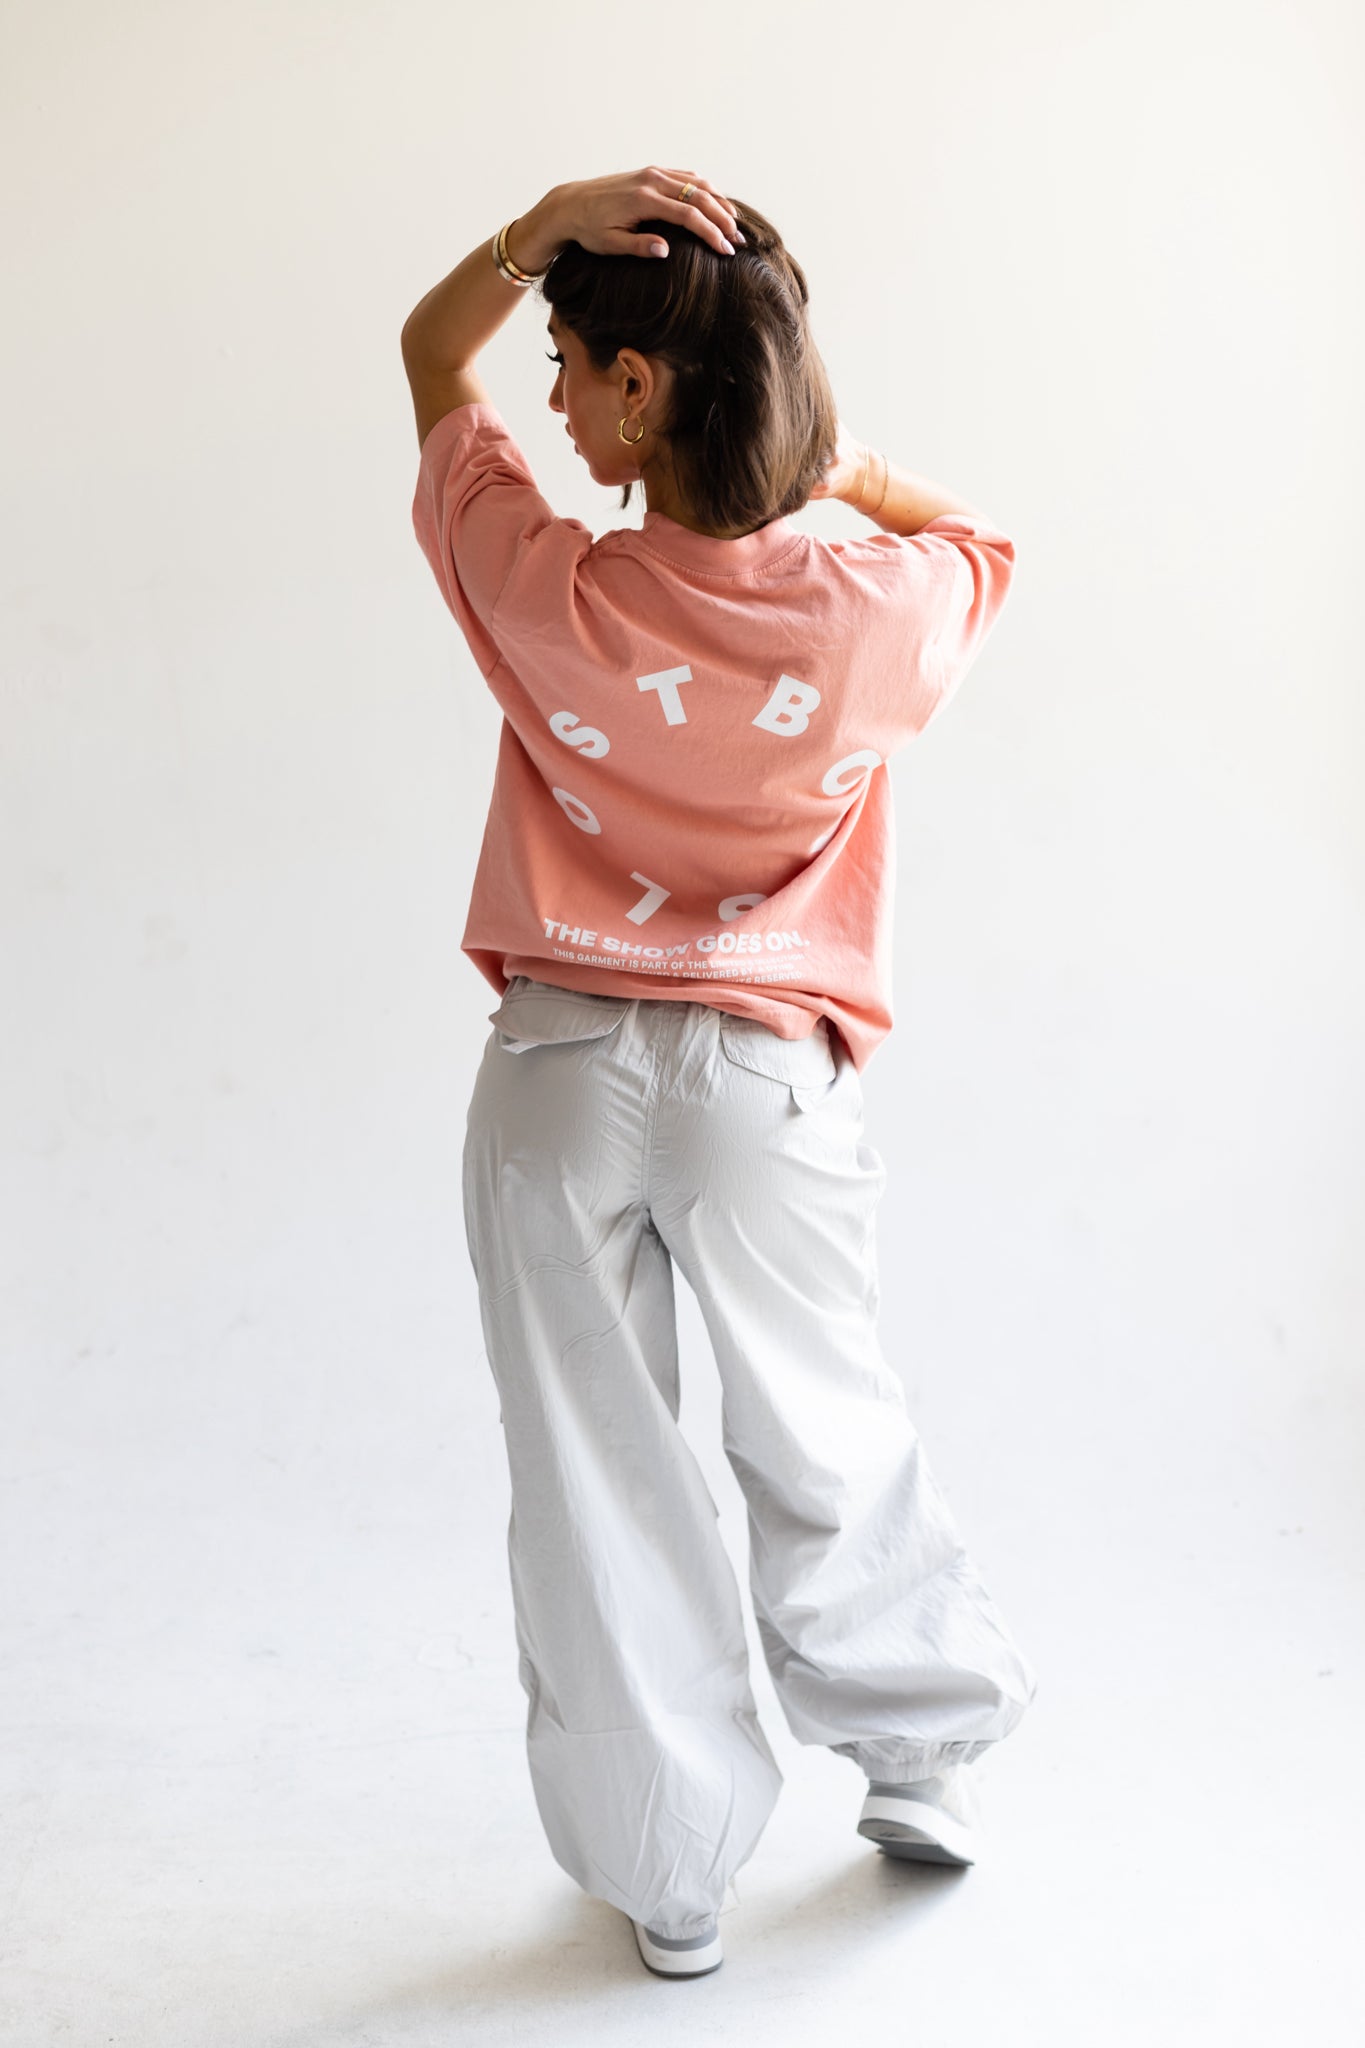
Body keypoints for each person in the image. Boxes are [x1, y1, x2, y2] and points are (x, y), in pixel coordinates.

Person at [402, 167, 1039, 1981]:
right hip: (765, 1082)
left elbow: (425, 354)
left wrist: (540, 222)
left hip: (556, 1075)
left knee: (590, 1474)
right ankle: (917, 1764)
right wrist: (831, 471)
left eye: (569, 361)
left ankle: (669, 1872)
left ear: (637, 386)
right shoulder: (871, 612)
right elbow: (981, 539)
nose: (546, 394)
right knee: (824, 1421)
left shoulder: (542, 585)